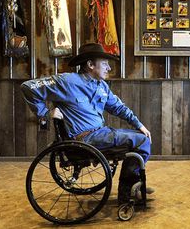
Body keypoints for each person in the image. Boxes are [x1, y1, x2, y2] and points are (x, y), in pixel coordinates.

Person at [21, 43, 154, 205]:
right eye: (104, 63)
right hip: (86, 139)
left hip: (102, 133)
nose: (109, 68)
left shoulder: (101, 86)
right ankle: (127, 194)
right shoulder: (67, 82)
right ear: (90, 65)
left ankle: (134, 184)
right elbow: (28, 87)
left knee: (141, 136)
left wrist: (139, 124)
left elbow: (118, 107)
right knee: (143, 141)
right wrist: (45, 114)